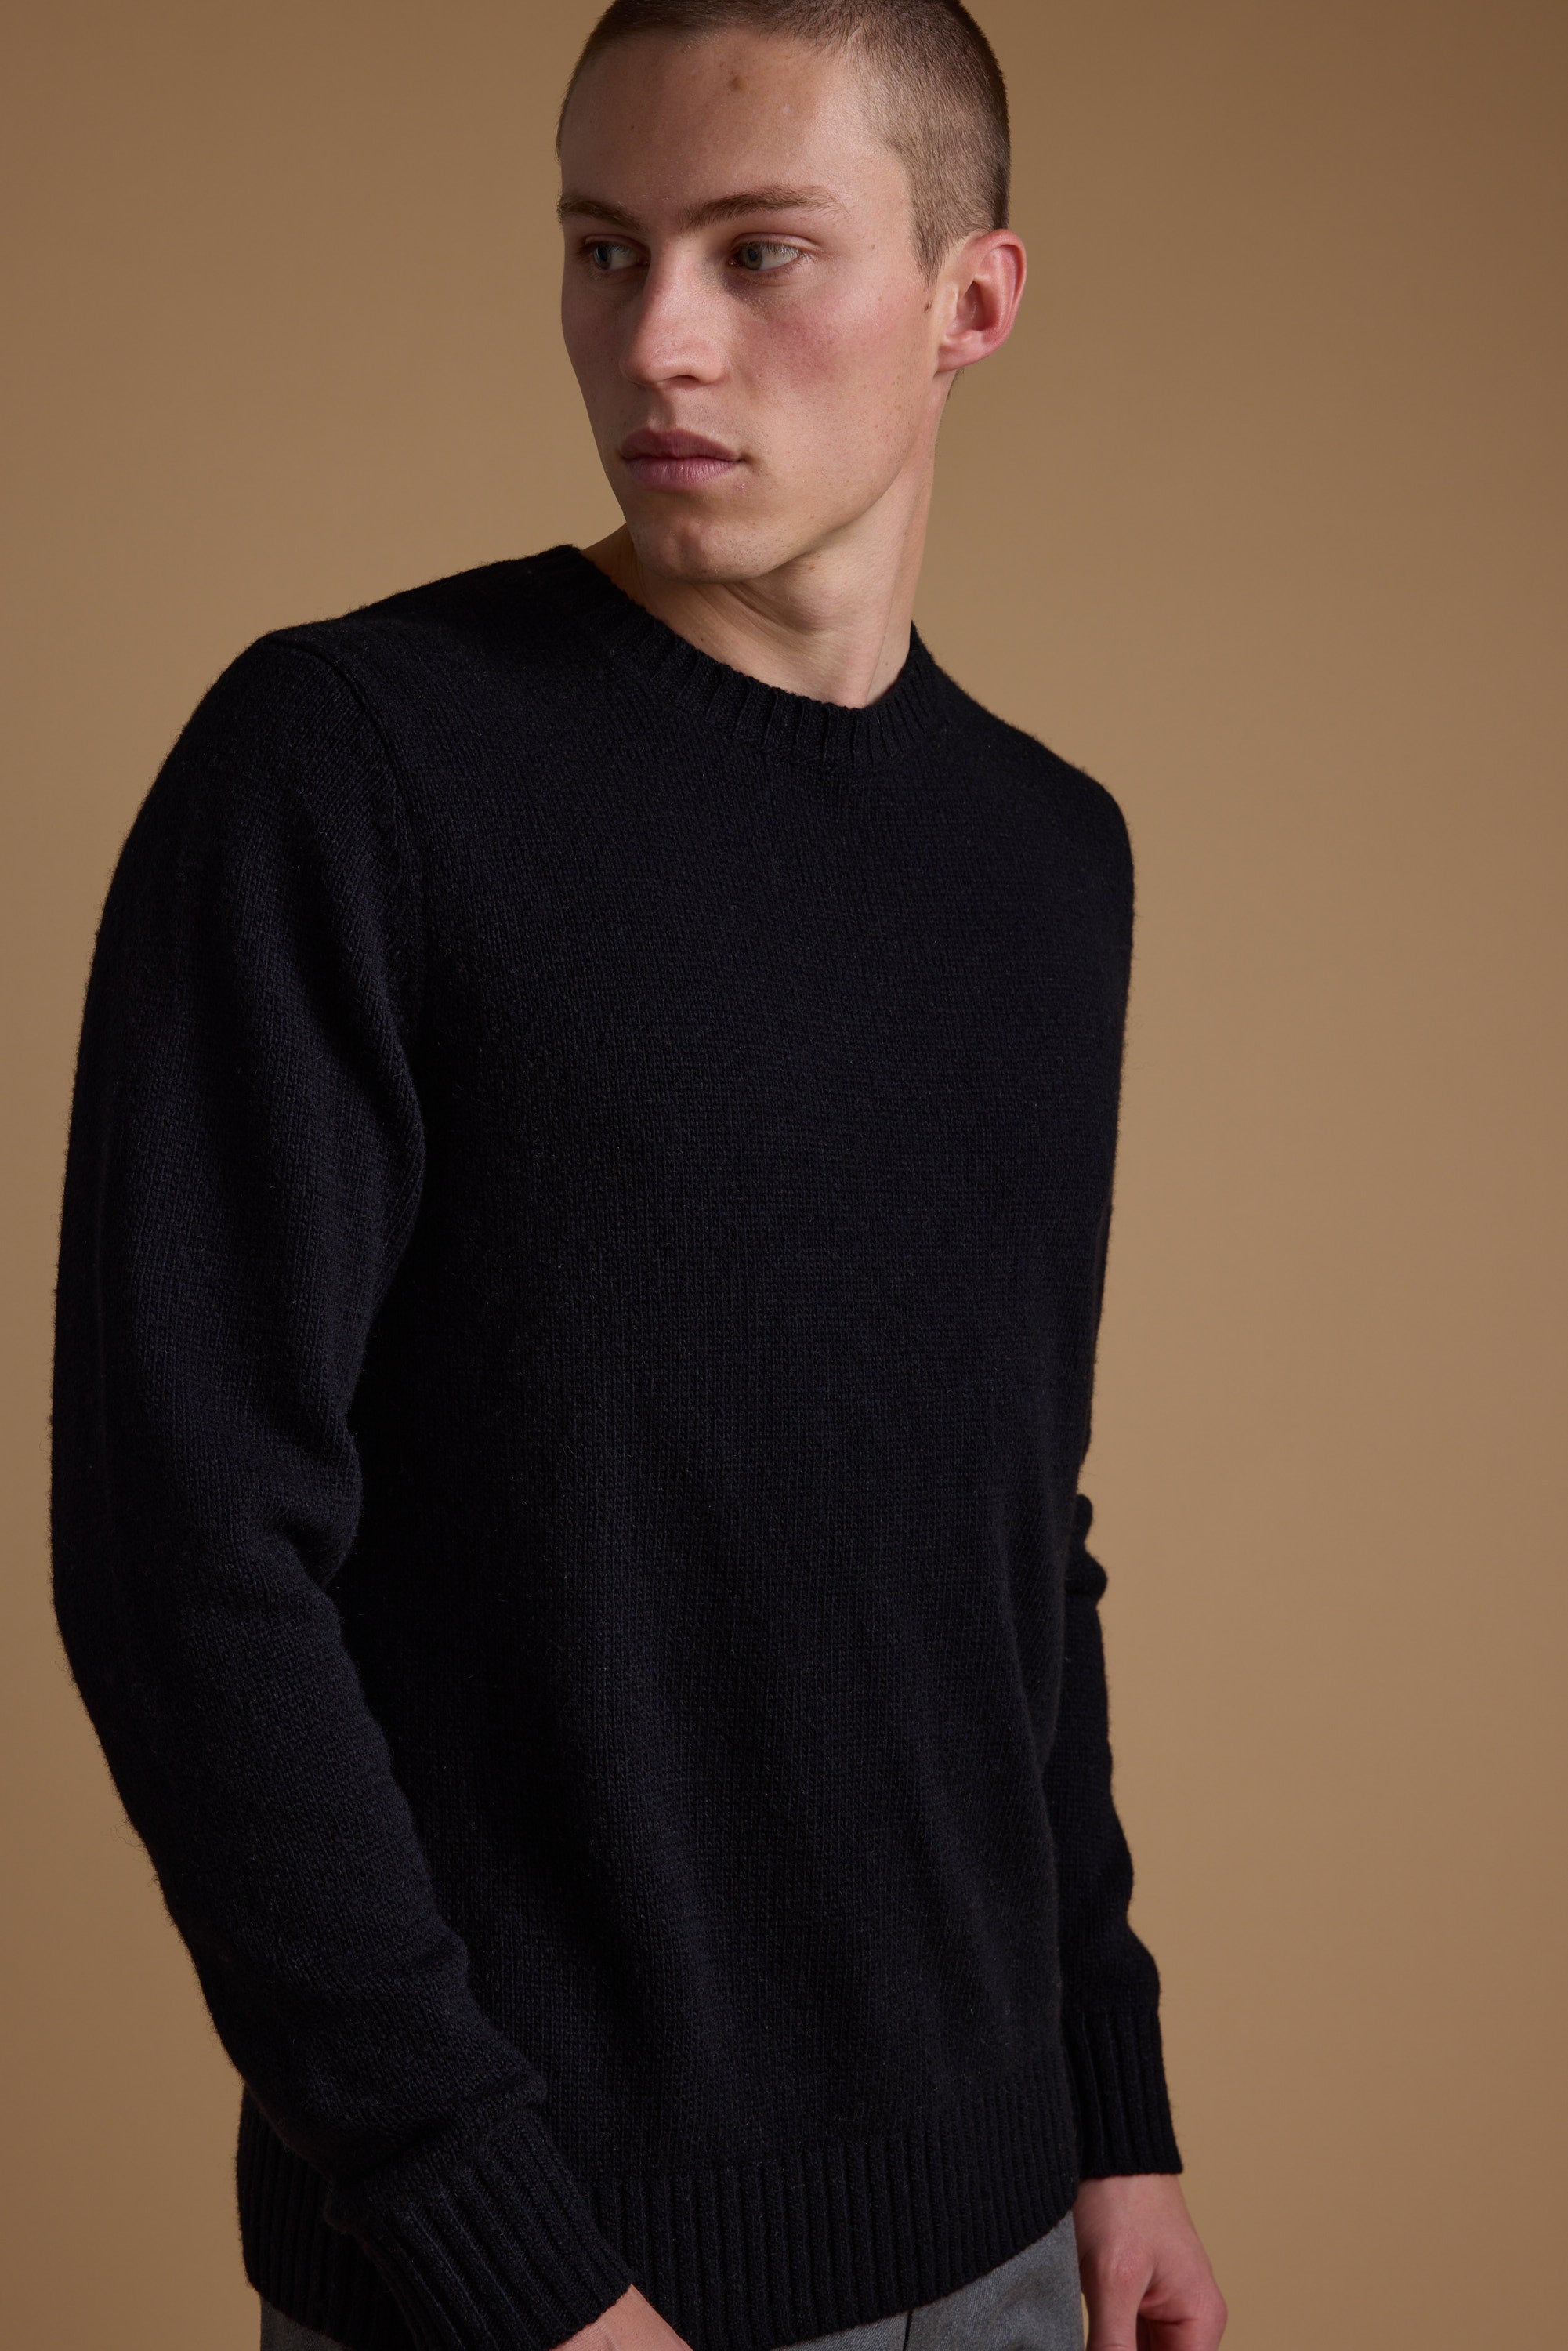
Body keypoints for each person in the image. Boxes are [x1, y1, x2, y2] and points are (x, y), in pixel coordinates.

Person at [49, 3, 1229, 2349]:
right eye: (604, 249)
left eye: (758, 251)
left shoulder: (1045, 859)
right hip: (534, 2284)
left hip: (1005, 2238)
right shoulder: (352, 769)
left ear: (971, 301)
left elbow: (1013, 1530)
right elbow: (185, 1556)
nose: (655, 338)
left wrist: (1113, 2107)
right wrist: (494, 2245)